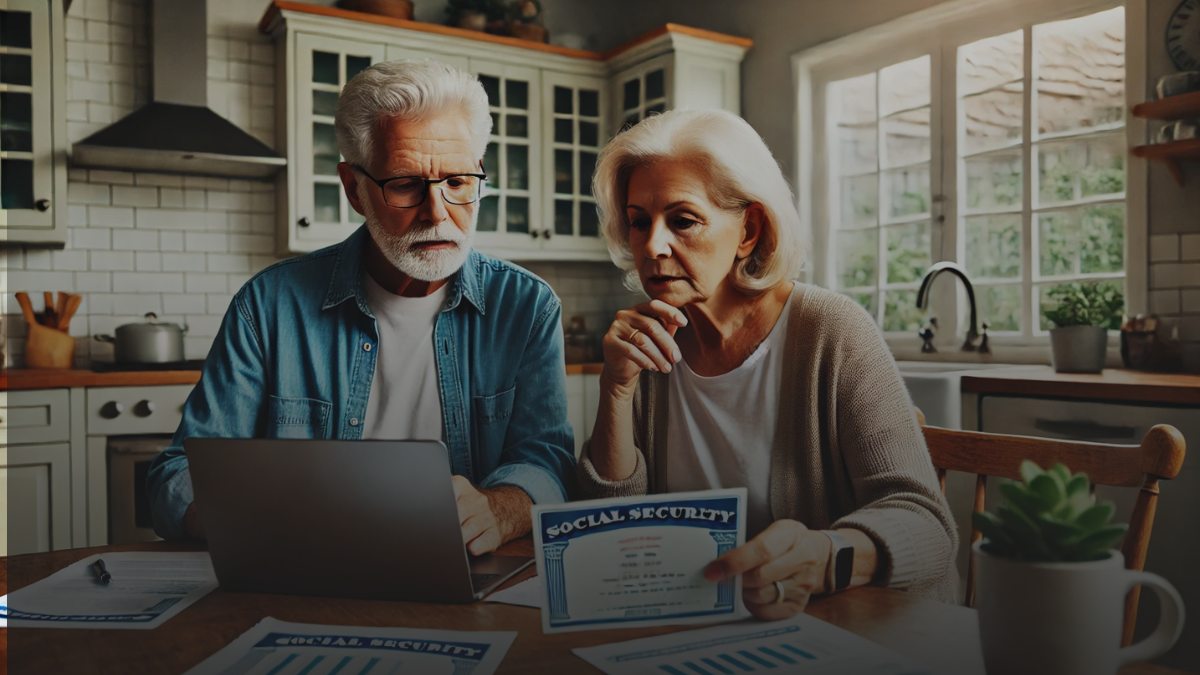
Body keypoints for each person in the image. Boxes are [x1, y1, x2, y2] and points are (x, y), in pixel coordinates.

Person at [147, 60, 575, 555]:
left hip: (466, 574)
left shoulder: (527, 307)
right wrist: (240, 515)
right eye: (406, 184)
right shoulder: (266, 307)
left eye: (458, 182)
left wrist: (500, 509)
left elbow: (547, 460)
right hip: (303, 571)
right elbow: (177, 475)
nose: (437, 212)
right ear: (354, 189)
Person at [578, 108, 958, 619]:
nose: (652, 245)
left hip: (862, 631)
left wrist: (826, 558)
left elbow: (928, 524)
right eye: (639, 221)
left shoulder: (831, 330)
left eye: (683, 220)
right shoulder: (647, 344)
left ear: (749, 230)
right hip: (714, 630)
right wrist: (616, 390)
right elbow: (612, 530)